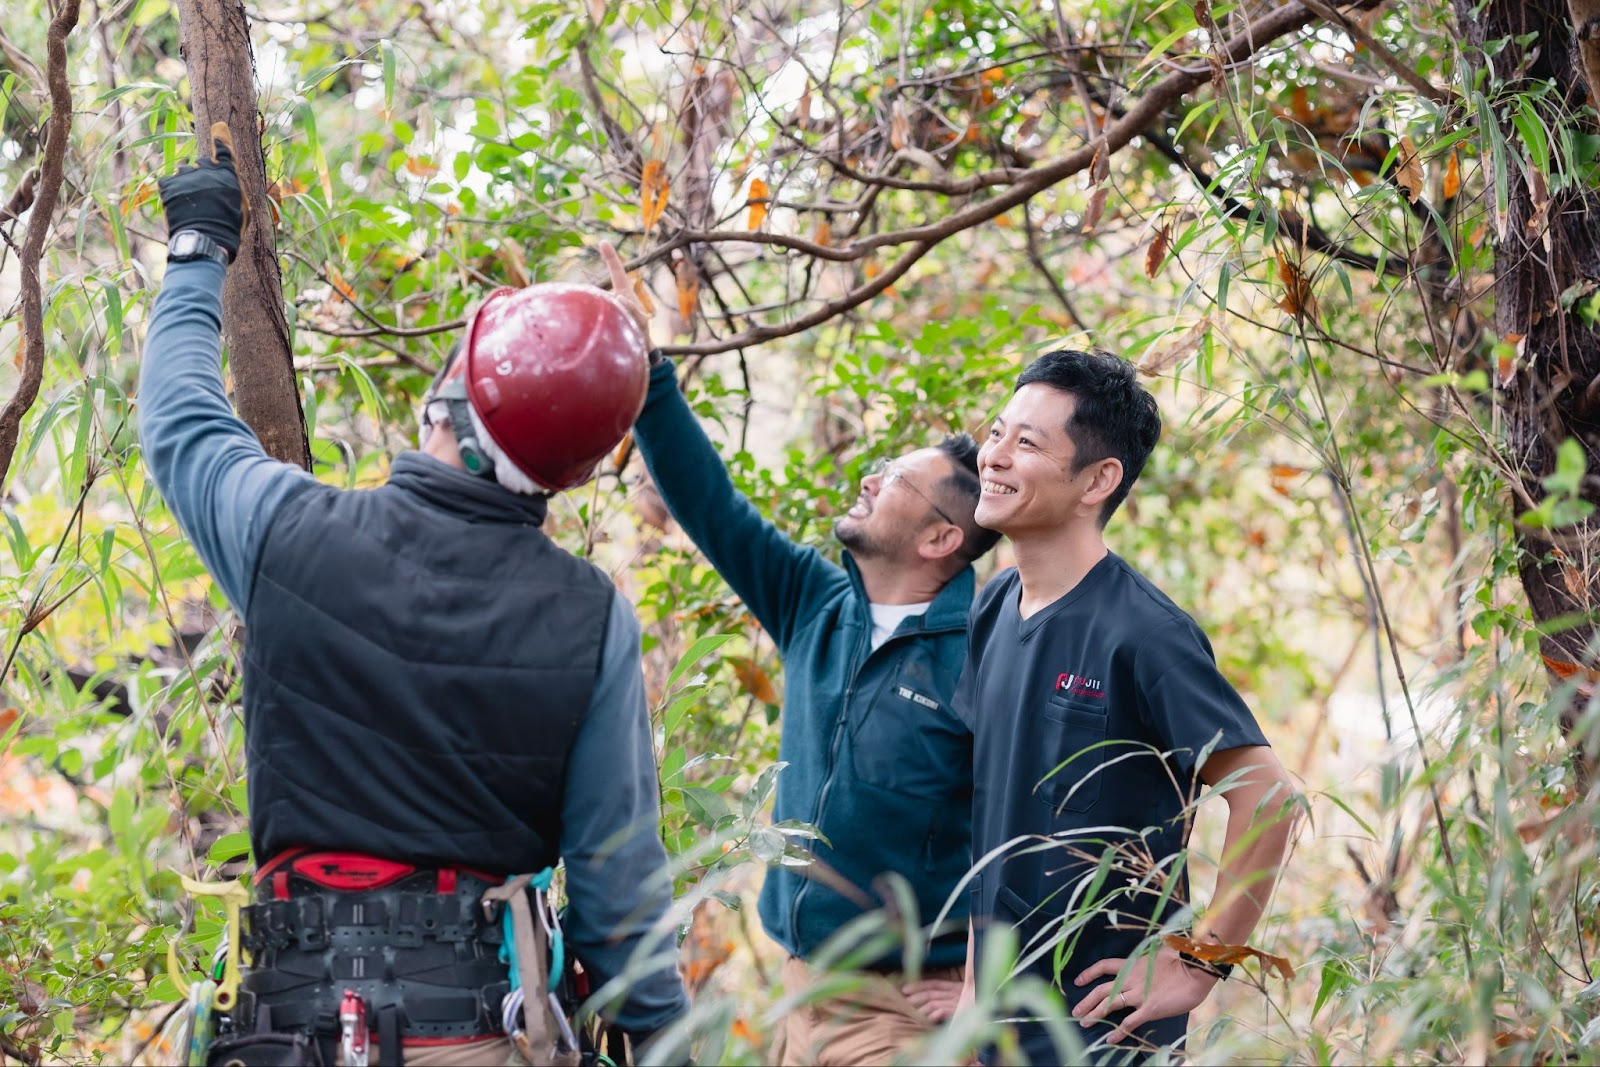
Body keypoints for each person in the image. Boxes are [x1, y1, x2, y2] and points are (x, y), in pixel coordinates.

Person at [142, 127, 687, 1065]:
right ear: (578, 469)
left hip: (289, 1031)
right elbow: (619, 897)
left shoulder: (288, 533)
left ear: (448, 396)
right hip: (478, 1032)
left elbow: (179, 418)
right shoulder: (590, 619)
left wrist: (199, 246)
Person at [593, 247, 1001, 1064]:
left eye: (894, 479)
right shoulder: (817, 603)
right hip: (799, 992)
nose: (870, 478)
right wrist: (647, 373)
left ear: (941, 537)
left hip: (901, 1013)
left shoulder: (988, 651)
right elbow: (713, 506)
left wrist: (993, 980)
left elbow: (1037, 832)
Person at [954, 349, 1298, 1064]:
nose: (994, 457)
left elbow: (1270, 799)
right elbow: (992, 816)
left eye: (1027, 443)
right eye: (996, 432)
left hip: (1101, 1032)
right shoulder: (991, 607)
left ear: (1098, 480)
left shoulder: (1143, 633)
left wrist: (1200, 962)